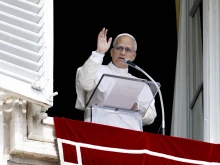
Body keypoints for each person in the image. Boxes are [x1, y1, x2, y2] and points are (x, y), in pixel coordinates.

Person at [75, 27, 157, 131]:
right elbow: (84, 83)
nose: (123, 52)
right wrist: (99, 52)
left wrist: (136, 107)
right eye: (119, 48)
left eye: (127, 50)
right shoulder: (97, 70)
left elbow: (151, 116)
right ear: (111, 52)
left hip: (130, 137)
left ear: (133, 56)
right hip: (98, 131)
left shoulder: (141, 84)